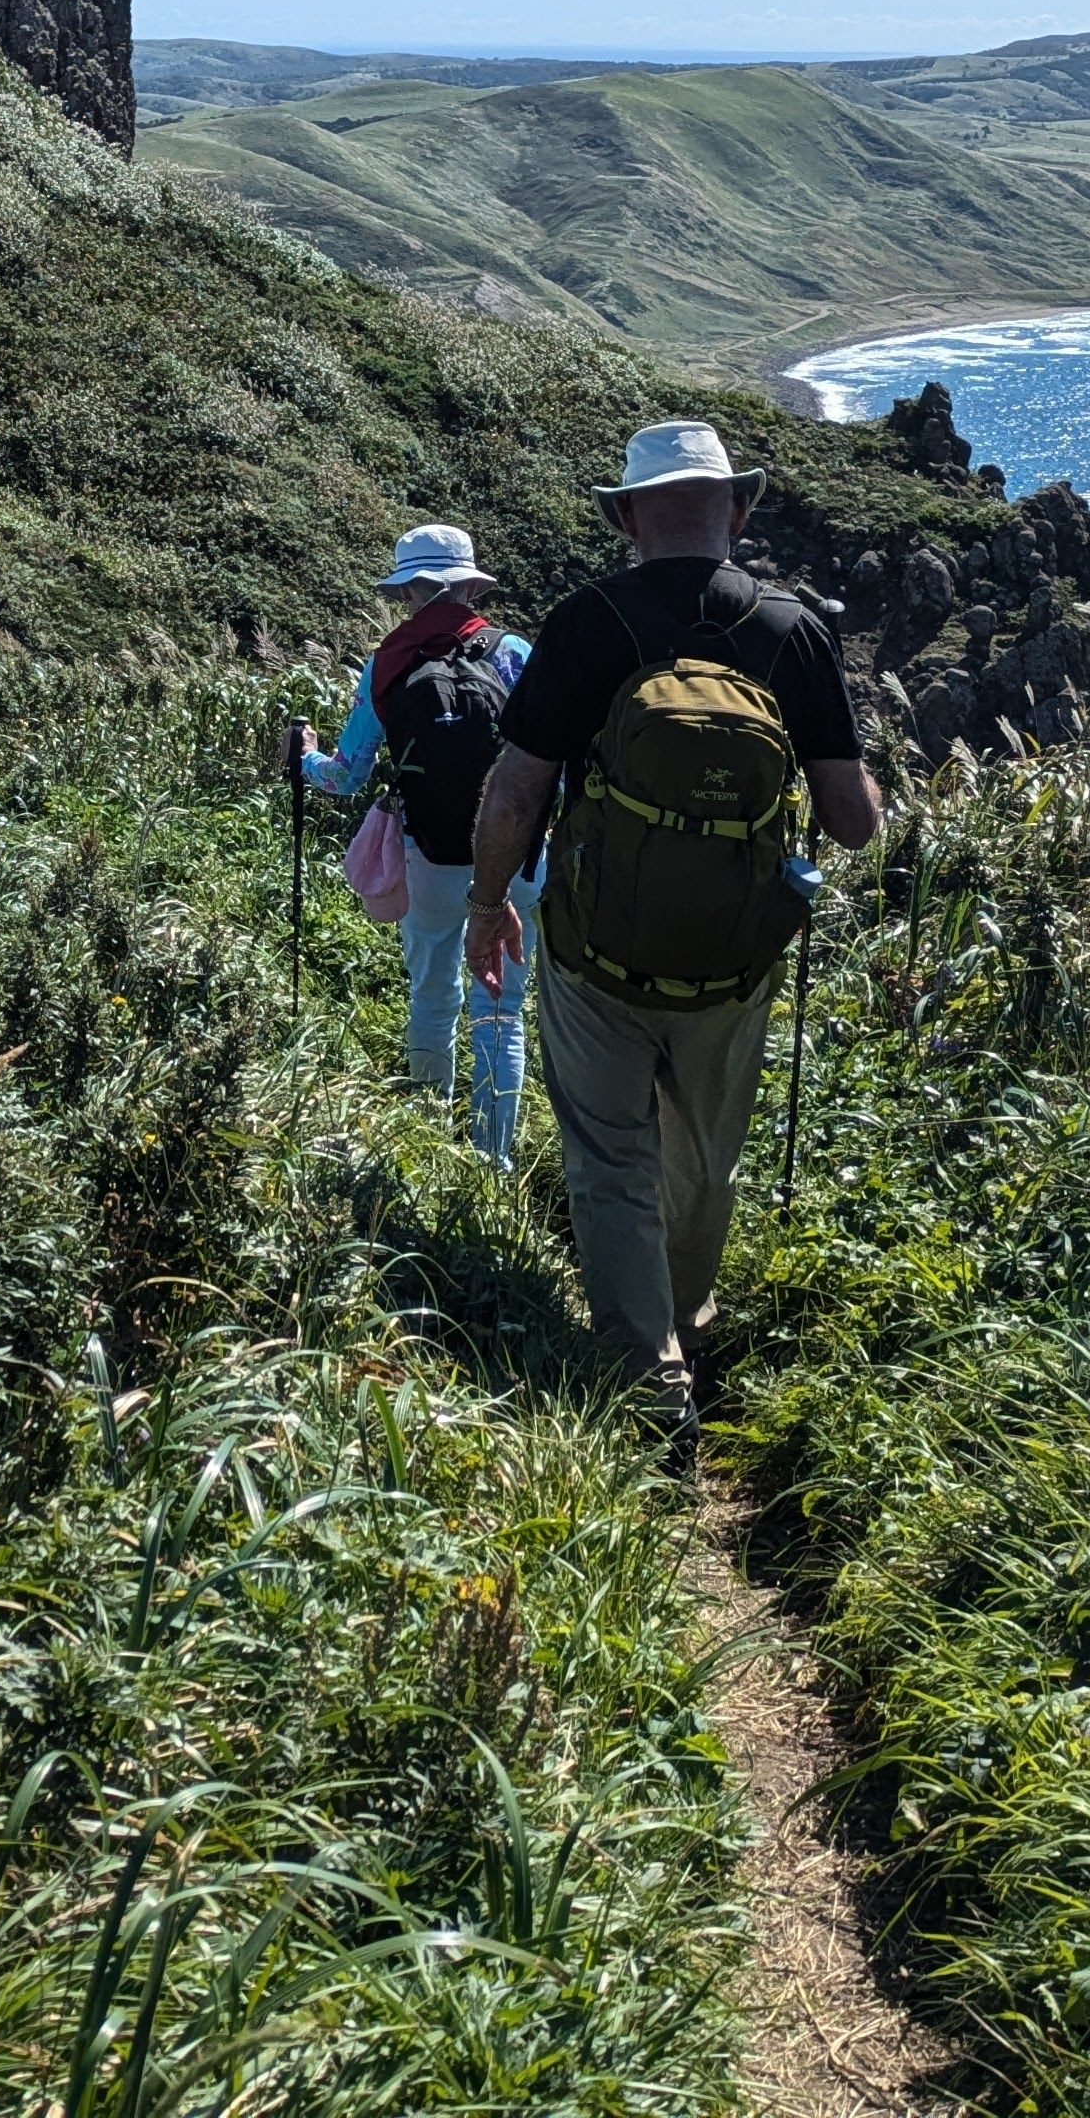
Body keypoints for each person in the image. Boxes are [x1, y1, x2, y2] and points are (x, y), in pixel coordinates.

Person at [464, 419, 883, 1433]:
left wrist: (486, 905)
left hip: (593, 950)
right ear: (735, 509)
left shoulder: (586, 621)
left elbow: (516, 794)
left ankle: (647, 1383)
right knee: (702, 1156)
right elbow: (854, 823)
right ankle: (685, 1327)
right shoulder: (793, 630)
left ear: (625, 519)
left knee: (611, 1160)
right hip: (735, 963)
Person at [295, 523, 535, 1162]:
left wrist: (305, 758)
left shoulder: (388, 662)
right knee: (502, 1008)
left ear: (409, 592)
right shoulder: (514, 654)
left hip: (430, 853)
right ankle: (494, 1161)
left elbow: (346, 777)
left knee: (433, 991)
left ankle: (427, 1138)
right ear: (468, 586)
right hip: (518, 858)